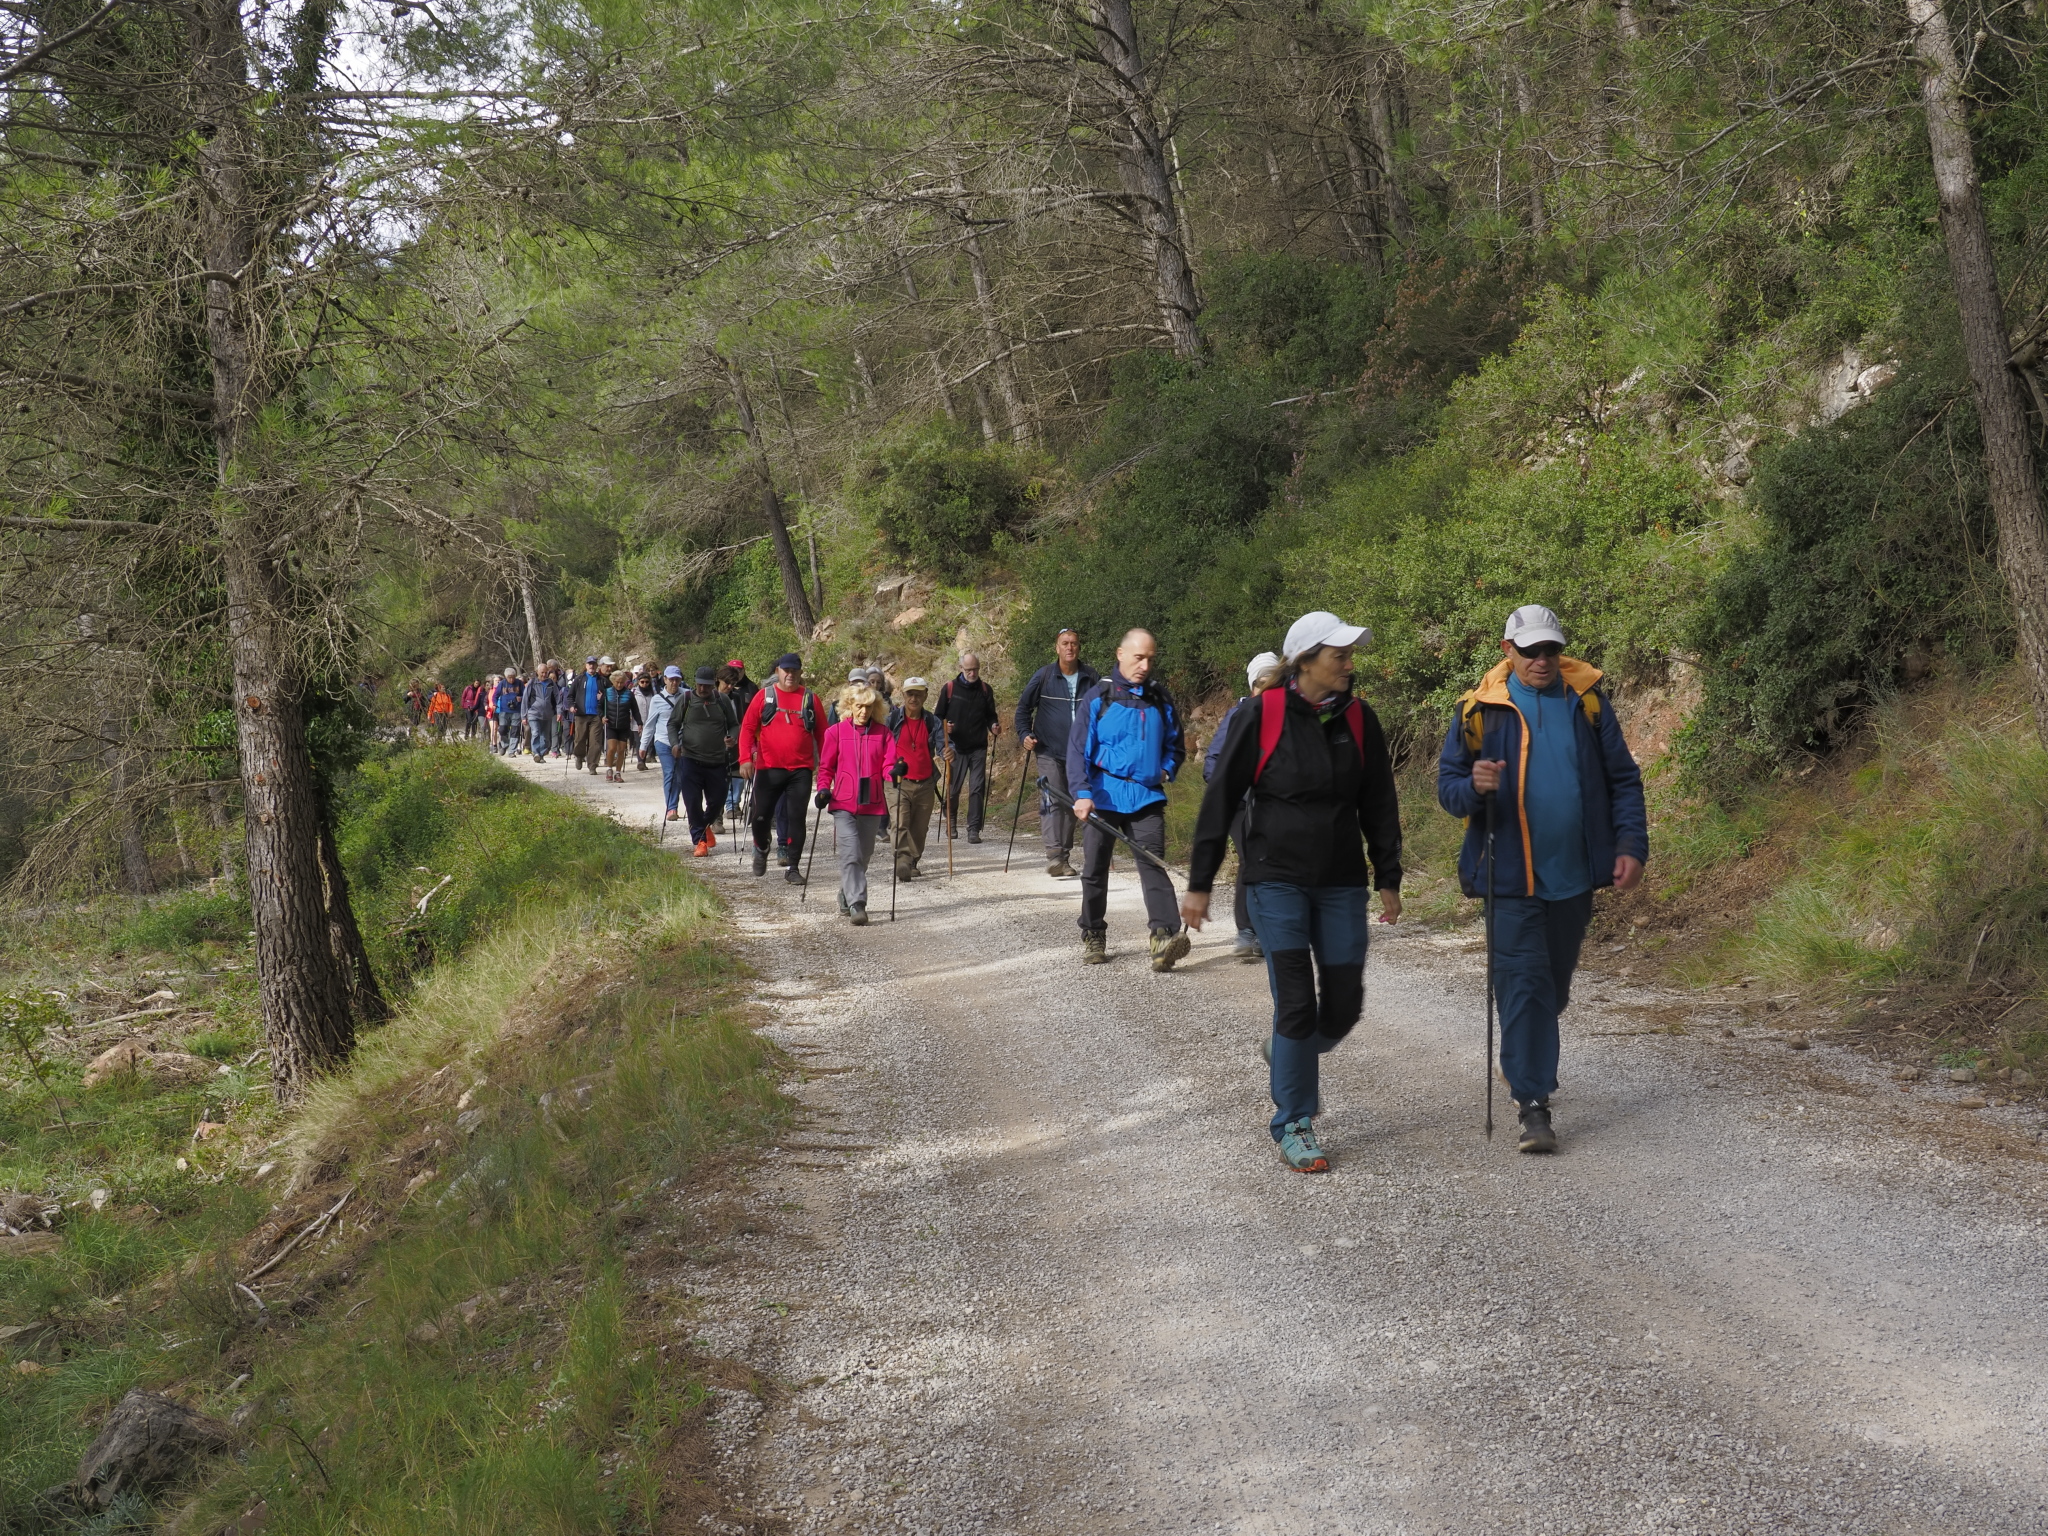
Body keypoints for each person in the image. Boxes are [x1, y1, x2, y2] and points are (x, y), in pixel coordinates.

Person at [1185, 615, 1403, 1173]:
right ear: (1304, 661)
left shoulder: (1359, 718)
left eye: (1350, 655)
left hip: (1341, 880)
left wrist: (1388, 876)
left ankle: (1287, 1048)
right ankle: (1294, 1121)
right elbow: (1221, 799)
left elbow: (1379, 800)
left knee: (1345, 1005)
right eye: (1339, 655)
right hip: (1275, 878)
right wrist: (1201, 883)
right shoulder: (1261, 714)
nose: (1350, 664)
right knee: (1298, 1002)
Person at [1437, 604, 1648, 1155]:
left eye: (1551, 649)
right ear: (1508, 651)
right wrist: (1473, 786)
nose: (1542, 659)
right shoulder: (1479, 710)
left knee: (1551, 988)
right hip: (1508, 877)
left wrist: (1630, 845)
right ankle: (1533, 1104)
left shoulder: (1588, 703)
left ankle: (1524, 1045)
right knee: (1526, 984)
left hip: (1572, 876)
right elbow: (1449, 790)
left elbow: (1623, 780)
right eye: (1531, 650)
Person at [1068, 628, 1188, 970]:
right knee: (1095, 869)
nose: (1145, 665)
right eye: (1139, 657)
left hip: (1146, 798)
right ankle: (1093, 932)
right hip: (1103, 797)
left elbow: (1176, 746)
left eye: (1150, 658)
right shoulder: (1098, 698)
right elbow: (1077, 751)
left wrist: (1165, 771)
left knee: (1153, 865)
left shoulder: (1160, 699)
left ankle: (1163, 937)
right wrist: (1082, 793)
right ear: (1121, 655)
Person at [1204, 651, 1286, 962]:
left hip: (1274, 803)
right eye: (1262, 682)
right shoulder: (1237, 715)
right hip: (1239, 804)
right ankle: (1248, 930)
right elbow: (1213, 762)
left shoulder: (1290, 715)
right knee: (1252, 858)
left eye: (1274, 681)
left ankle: (1268, 929)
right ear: (1253, 685)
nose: (1267, 688)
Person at [1015, 627, 1101, 878]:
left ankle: (1063, 856)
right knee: (1051, 798)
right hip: (1048, 750)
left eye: (1073, 643)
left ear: (1079, 647)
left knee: (1075, 802)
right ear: (1057, 648)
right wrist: (1025, 734)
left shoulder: (1091, 677)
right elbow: (1023, 709)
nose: (1069, 647)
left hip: (1081, 753)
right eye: (1065, 643)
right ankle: (1055, 856)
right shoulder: (1044, 676)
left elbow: (1104, 712)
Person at [816, 682, 903, 924]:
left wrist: (895, 772)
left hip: (872, 803)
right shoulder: (835, 732)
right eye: (859, 706)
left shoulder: (883, 734)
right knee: (851, 853)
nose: (864, 711)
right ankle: (858, 904)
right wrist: (823, 789)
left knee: (864, 855)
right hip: (843, 803)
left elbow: (888, 766)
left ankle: (846, 892)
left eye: (868, 707)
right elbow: (826, 767)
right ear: (849, 706)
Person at [738, 652, 825, 884]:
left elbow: (823, 735)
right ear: (778, 671)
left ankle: (793, 867)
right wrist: (745, 759)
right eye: (786, 670)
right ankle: (762, 846)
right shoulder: (764, 696)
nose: (790, 674)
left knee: (797, 819)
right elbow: (747, 728)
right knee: (760, 817)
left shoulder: (810, 699)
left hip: (800, 770)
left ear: (800, 672)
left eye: (794, 670)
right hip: (769, 768)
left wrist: (826, 767)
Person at [669, 666, 739, 855]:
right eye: (700, 685)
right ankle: (700, 841)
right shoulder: (686, 699)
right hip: (690, 759)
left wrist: (732, 738)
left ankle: (704, 825)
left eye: (707, 686)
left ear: (713, 684)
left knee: (717, 801)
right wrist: (674, 744)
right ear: (695, 682)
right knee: (692, 802)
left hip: (717, 760)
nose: (703, 689)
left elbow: (734, 725)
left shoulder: (722, 700)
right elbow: (673, 724)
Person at [934, 652, 1002, 843]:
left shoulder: (985, 690)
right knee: (953, 789)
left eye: (975, 669)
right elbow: (937, 717)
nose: (973, 673)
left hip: (978, 746)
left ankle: (974, 829)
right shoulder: (949, 689)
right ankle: (951, 822)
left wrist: (994, 726)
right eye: (969, 670)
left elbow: (991, 715)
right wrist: (945, 727)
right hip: (956, 748)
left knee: (977, 788)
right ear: (961, 669)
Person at [886, 677, 940, 881]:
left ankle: (912, 861)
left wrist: (948, 752)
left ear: (925, 695)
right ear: (903, 695)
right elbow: (881, 743)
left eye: (918, 694)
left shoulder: (932, 721)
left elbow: (943, 744)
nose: (914, 698)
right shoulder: (892, 719)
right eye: (910, 694)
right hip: (897, 781)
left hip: (925, 782)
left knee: (919, 827)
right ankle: (902, 859)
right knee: (899, 821)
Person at [643, 666, 684, 818]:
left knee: (680, 775)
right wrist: (643, 745)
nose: (674, 683)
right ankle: (671, 808)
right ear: (665, 680)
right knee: (670, 772)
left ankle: (678, 805)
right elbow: (650, 724)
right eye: (671, 679)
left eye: (677, 679)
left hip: (682, 742)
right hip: (663, 741)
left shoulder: (687, 695)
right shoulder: (657, 699)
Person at [569, 656, 608, 775]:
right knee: (580, 739)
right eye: (589, 664)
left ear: (596, 666)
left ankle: (592, 765)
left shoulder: (602, 680)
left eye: (593, 664)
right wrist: (571, 706)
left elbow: (610, 694)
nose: (591, 666)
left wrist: (603, 697)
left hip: (597, 715)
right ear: (586, 666)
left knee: (595, 742)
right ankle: (579, 756)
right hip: (581, 714)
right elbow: (570, 696)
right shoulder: (579, 679)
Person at [601, 668, 640, 782]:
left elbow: (635, 710)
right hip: (611, 724)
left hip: (624, 725)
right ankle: (609, 769)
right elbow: (599, 707)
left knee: (622, 750)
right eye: (617, 682)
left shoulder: (629, 694)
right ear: (613, 681)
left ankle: (618, 773)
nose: (619, 684)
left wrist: (639, 723)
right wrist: (602, 717)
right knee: (612, 748)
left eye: (622, 682)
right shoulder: (607, 692)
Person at [522, 665, 557, 759]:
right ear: (537, 672)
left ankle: (540, 755)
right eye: (542, 672)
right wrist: (523, 716)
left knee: (545, 737)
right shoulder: (532, 683)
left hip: (547, 714)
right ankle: (536, 753)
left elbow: (557, 698)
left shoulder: (551, 683)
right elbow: (525, 699)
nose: (544, 674)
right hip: (533, 713)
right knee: (536, 732)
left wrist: (559, 712)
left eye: (546, 672)